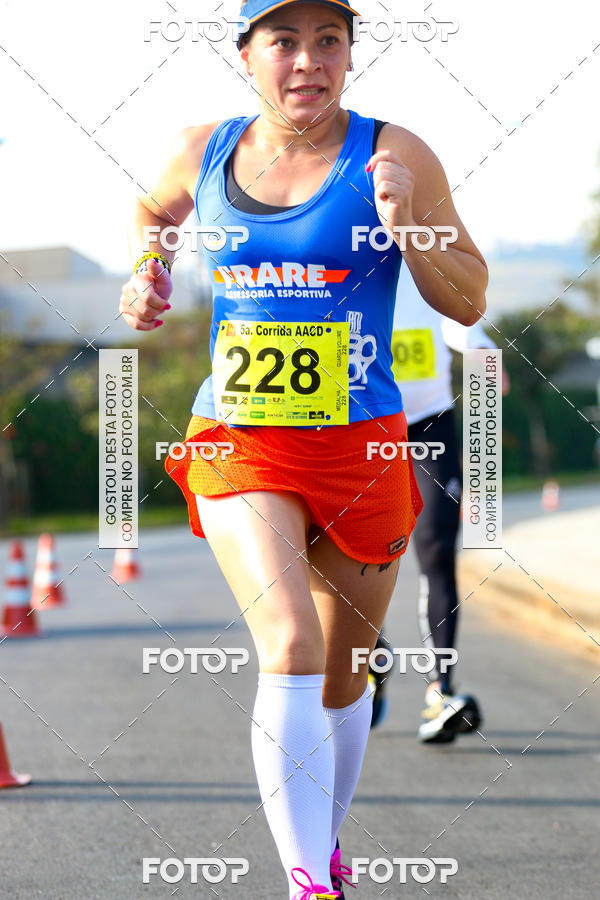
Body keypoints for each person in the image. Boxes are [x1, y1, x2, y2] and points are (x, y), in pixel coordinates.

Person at [119, 1, 488, 896]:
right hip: (239, 440)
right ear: (247, 54)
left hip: (363, 449)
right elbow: (150, 208)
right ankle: (306, 883)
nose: (308, 60)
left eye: (329, 40)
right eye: (284, 40)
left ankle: (320, 844)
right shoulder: (200, 150)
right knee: (286, 639)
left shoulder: (394, 153)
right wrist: (147, 267)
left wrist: (408, 229)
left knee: (344, 665)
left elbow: (469, 297)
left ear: (351, 54)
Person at [368, 263, 498, 742]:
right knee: (351, 555)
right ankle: (368, 654)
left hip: (428, 424)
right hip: (353, 427)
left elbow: (458, 317)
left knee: (438, 549)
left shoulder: (421, 248)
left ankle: (440, 691)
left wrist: (481, 348)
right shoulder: (339, 245)